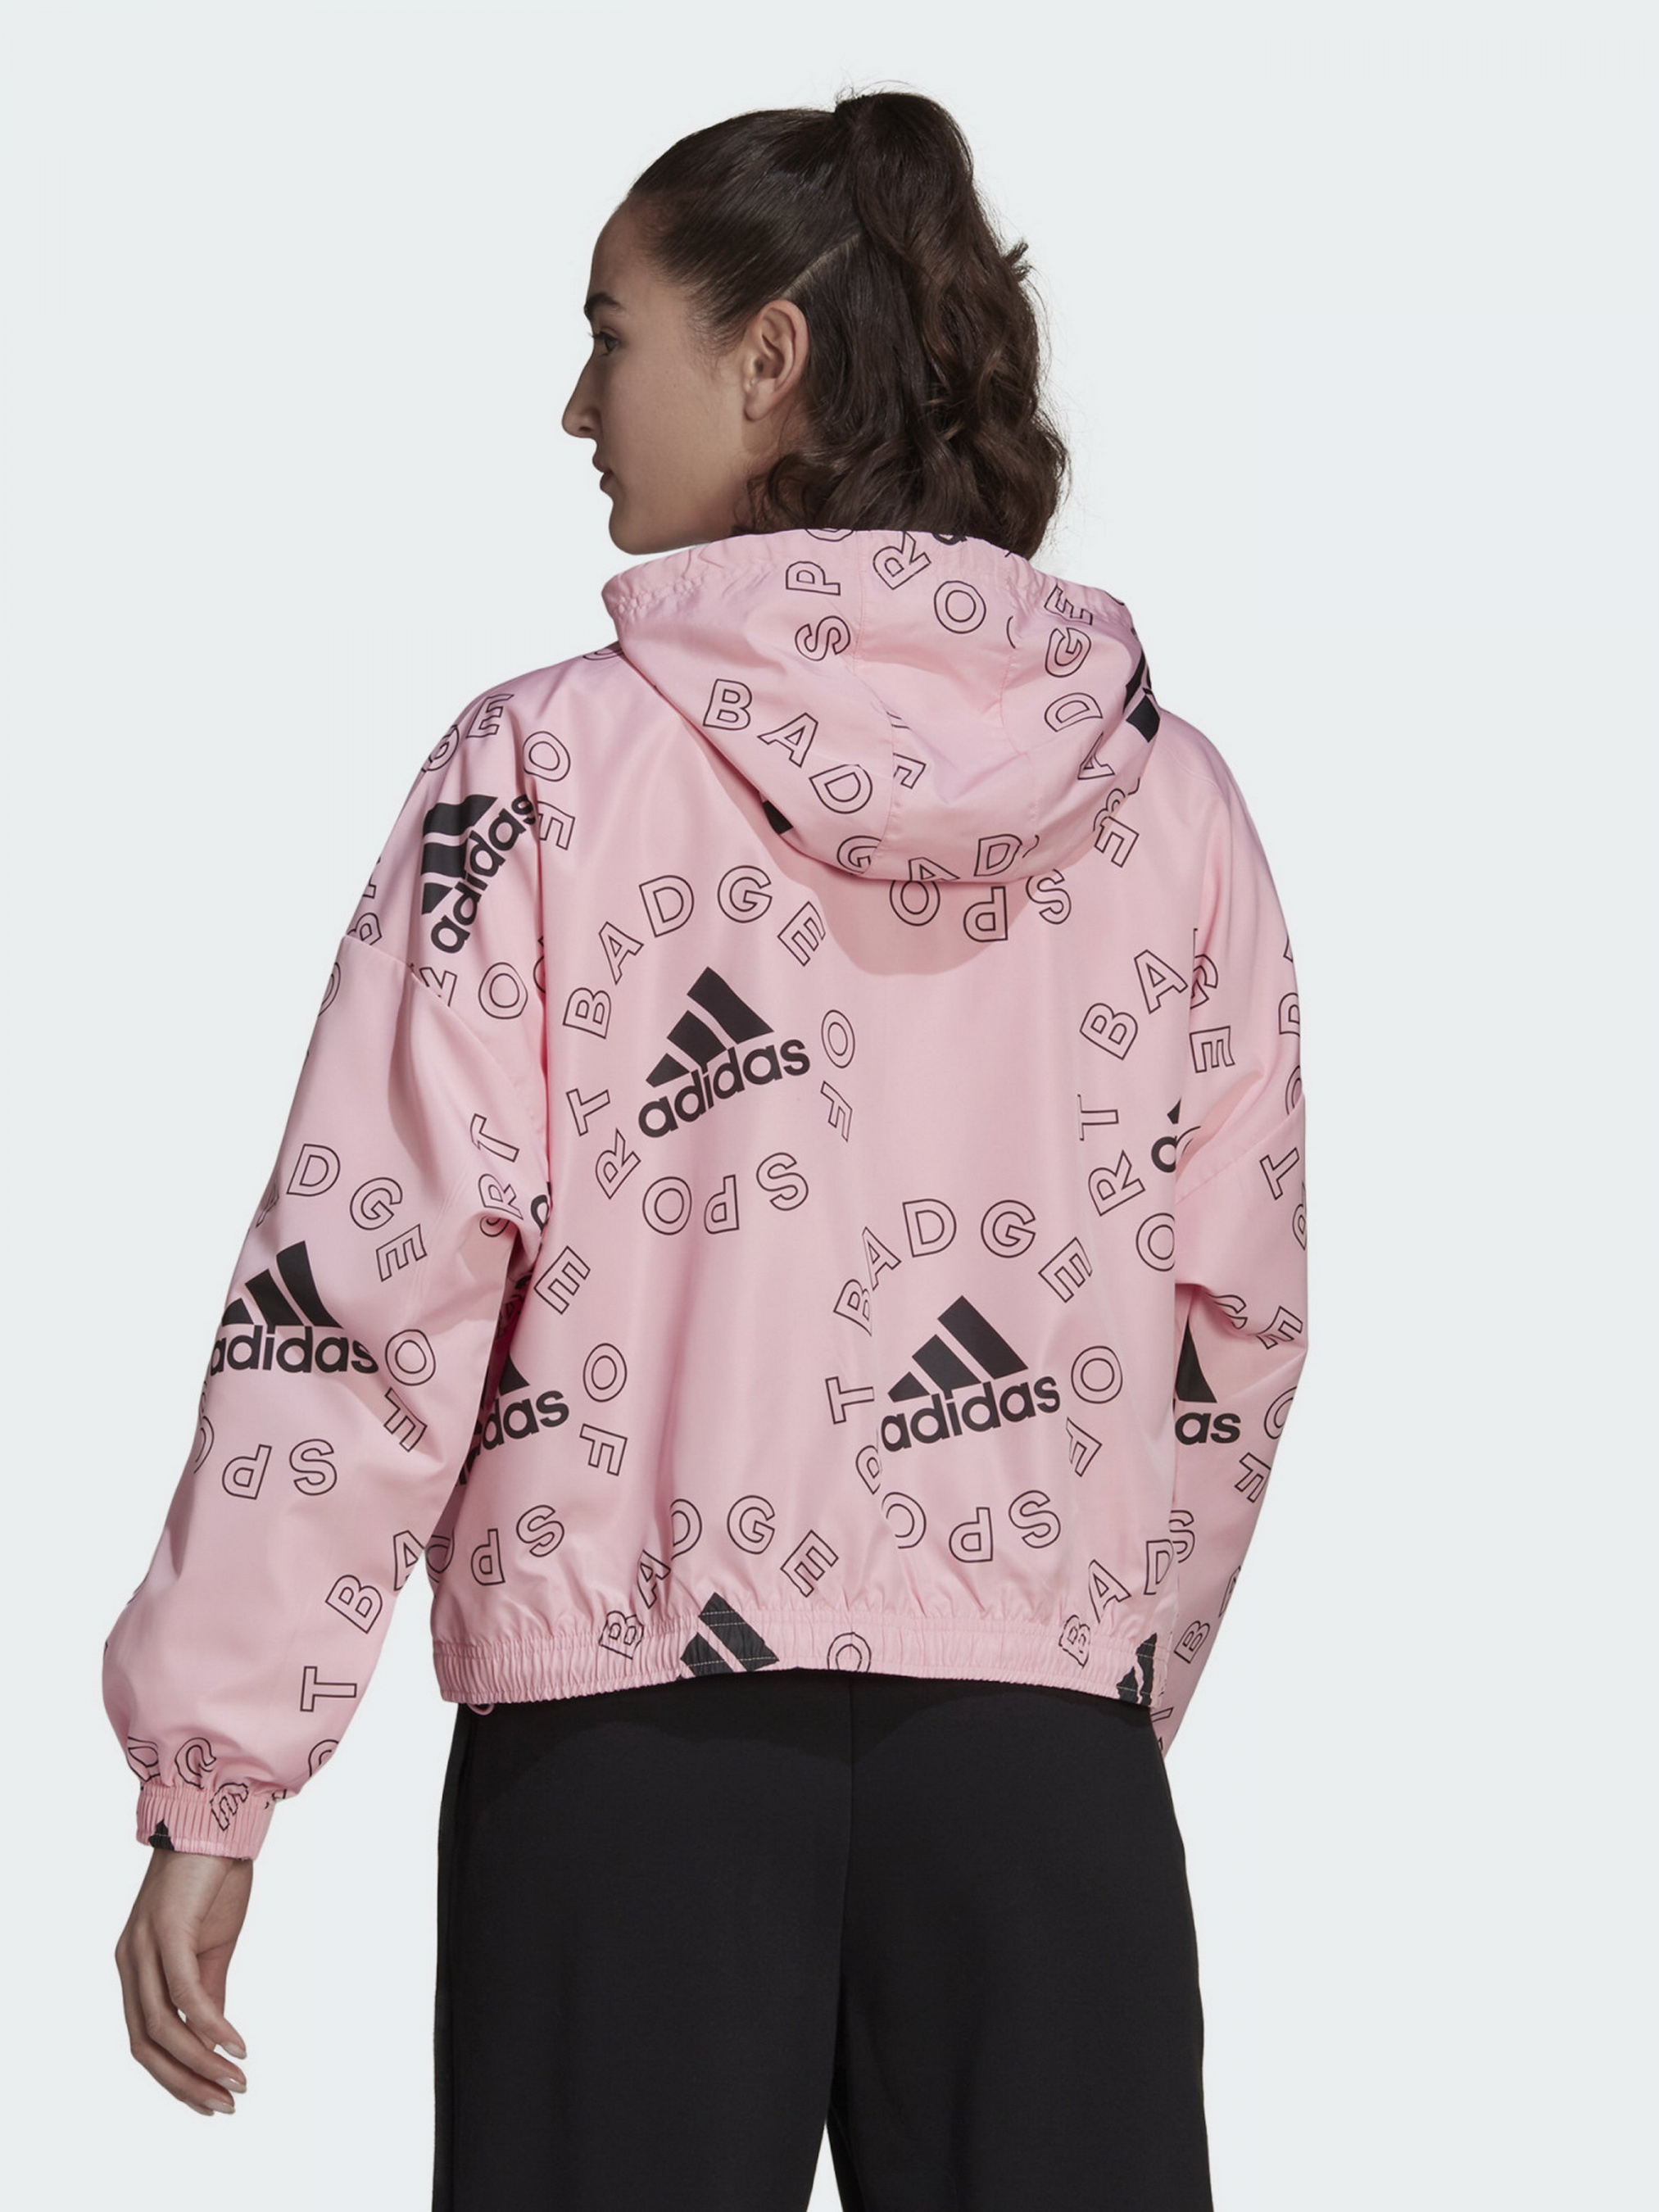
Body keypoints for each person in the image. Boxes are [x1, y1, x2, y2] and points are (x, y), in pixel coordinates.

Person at [105, 85, 1310, 2212]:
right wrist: (1081, 1663)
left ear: (769, 359)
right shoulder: (1169, 805)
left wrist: (222, 1771)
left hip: (629, 1769)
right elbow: (1240, 1323)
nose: (576, 405)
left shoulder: (540, 774)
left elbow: (364, 1288)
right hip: (1038, 1780)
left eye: (609, 336)